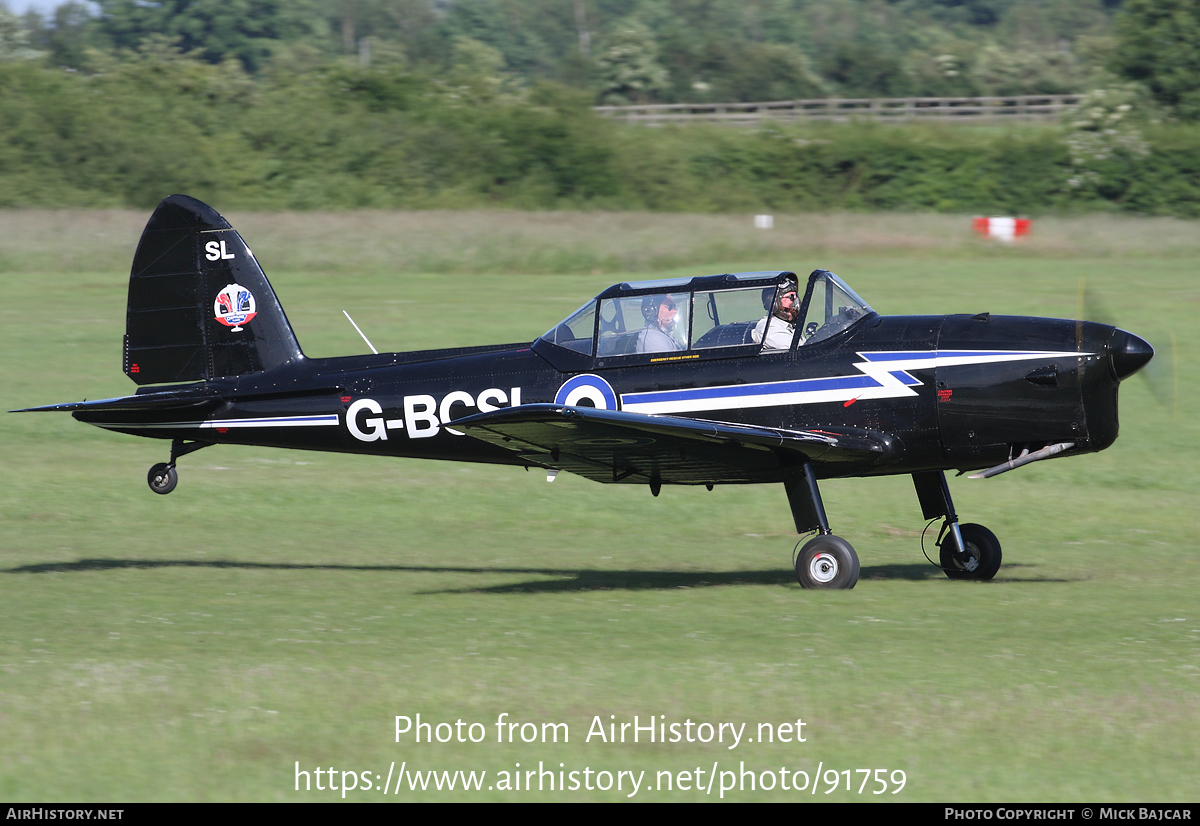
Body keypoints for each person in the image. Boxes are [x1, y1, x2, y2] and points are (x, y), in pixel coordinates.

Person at [752, 281, 800, 350]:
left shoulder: (788, 326)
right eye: (790, 297)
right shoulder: (768, 329)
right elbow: (800, 350)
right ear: (774, 303)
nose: (796, 303)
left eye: (796, 297)